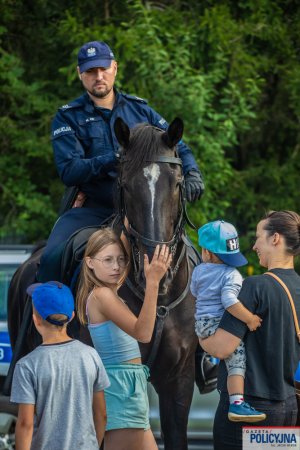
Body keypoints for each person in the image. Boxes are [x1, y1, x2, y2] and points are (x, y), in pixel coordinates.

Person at [38, 40, 204, 282]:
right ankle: (44, 317)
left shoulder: (142, 112)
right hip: (93, 210)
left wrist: (193, 173)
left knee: (193, 258)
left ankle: (203, 317)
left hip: (143, 209)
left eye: (103, 69)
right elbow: (70, 171)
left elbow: (176, 145)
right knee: (52, 257)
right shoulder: (67, 116)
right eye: (91, 71)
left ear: (114, 68)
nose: (98, 76)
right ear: (80, 74)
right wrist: (111, 160)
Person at [199, 210, 300, 450]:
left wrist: (201, 332)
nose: (254, 245)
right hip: (288, 409)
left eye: (258, 237)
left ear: (275, 238)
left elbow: (222, 348)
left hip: (250, 412)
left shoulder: (255, 286)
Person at [76, 228, 171, 450]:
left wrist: (127, 226)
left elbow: (124, 250)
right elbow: (144, 333)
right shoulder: (102, 295)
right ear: (90, 262)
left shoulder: (109, 292)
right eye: (107, 260)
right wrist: (153, 282)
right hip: (121, 388)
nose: (116, 266)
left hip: (128, 387)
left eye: (120, 260)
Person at [10, 281, 110, 450]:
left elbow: (25, 424)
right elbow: (101, 415)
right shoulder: (91, 355)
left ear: (36, 319)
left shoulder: (27, 366)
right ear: (71, 316)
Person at [191, 220, 265, 422]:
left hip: (201, 325)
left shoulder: (197, 271)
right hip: (218, 324)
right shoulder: (231, 274)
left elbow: (194, 292)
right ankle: (237, 403)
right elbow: (229, 301)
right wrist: (249, 318)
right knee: (237, 361)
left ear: (205, 252)